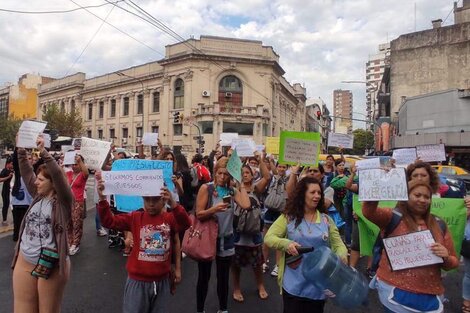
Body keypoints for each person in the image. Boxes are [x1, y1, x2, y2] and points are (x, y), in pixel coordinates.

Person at [96, 174, 190, 313]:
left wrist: (174, 204)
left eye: (155, 199)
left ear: (163, 199)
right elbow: (109, 222)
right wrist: (103, 199)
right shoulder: (135, 217)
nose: (151, 204)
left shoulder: (169, 218)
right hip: (138, 282)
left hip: (162, 282)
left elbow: (185, 223)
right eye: (147, 199)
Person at [363, 180, 459, 313]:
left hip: (430, 299)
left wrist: (446, 257)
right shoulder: (392, 217)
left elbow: (453, 263)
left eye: (427, 197)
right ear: (406, 196)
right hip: (394, 294)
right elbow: (368, 211)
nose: (423, 200)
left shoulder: (439, 224)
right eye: (417, 195)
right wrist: (380, 181)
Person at [264, 176, 347, 313]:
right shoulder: (289, 217)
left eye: (319, 193)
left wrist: (342, 255)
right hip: (293, 284)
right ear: (302, 194)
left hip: (318, 287)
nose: (317, 196)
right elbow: (269, 238)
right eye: (312, 192)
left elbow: (338, 244)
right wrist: (287, 244)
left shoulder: (326, 220)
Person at [12, 135, 73, 313]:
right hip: (25, 260)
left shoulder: (63, 201)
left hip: (51, 264)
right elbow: (25, 171)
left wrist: (44, 152)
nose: (35, 182)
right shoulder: (37, 196)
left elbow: (58, 175)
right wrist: (21, 149)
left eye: (41, 180)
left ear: (53, 184)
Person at [195, 156, 250, 313]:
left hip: (226, 239)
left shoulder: (232, 190)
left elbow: (246, 204)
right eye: (219, 173)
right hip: (208, 239)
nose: (222, 177)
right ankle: (200, 309)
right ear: (214, 172)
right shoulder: (207, 188)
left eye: (226, 174)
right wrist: (213, 209)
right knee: (204, 277)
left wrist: (241, 184)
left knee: (223, 277)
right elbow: (199, 214)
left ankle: (223, 309)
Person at [232, 155, 270, 303]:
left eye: (247, 172)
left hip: (253, 235)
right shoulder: (234, 189)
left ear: (253, 175)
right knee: (235, 264)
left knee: (257, 263)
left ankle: (260, 285)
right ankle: (236, 288)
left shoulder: (256, 188)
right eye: (242, 172)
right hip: (237, 234)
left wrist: (259, 159)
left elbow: (266, 176)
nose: (244, 175)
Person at [262, 162, 289, 276]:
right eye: (280, 166)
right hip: (269, 211)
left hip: (281, 212)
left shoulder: (289, 180)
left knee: (279, 239)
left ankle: (278, 265)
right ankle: (263, 262)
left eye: (284, 167)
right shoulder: (272, 178)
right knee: (266, 238)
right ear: (276, 167)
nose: (281, 169)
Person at [66, 154, 89, 255]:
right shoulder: (68, 174)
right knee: (68, 223)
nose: (74, 166)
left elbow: (86, 173)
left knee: (77, 224)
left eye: (76, 164)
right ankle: (69, 241)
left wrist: (80, 161)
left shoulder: (82, 175)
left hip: (78, 202)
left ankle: (76, 244)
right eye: (73, 164)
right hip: (68, 201)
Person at [11, 149, 34, 242]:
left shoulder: (34, 172)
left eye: (29, 158)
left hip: (30, 204)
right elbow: (16, 161)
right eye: (25, 158)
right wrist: (17, 147)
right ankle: (18, 248)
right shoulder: (18, 171)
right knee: (18, 227)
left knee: (28, 228)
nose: (27, 160)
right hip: (18, 204)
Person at [0, 158, 14, 226]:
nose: (12, 165)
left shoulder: (12, 170)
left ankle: (13, 219)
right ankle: (4, 220)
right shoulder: (4, 171)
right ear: (8, 164)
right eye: (11, 164)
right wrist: (8, 177)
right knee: (5, 205)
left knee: (10, 204)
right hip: (5, 190)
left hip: (10, 190)